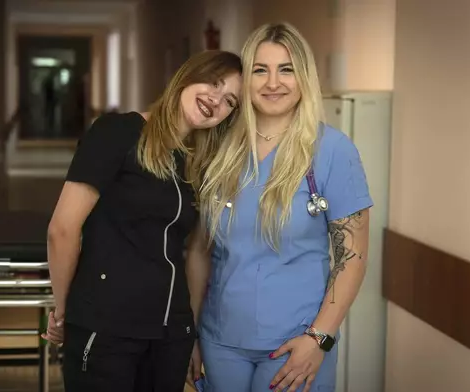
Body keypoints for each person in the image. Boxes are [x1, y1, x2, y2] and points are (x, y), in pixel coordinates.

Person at [186, 23, 373, 392]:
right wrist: (188, 333)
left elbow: (352, 256)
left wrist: (320, 338)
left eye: (286, 69)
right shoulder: (219, 149)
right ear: (246, 79)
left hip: (296, 343)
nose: (273, 82)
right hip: (220, 340)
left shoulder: (333, 150)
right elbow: (199, 251)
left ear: (303, 77)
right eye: (260, 70)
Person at [41, 49, 242, 391]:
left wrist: (189, 329)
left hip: (169, 335)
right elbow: (62, 230)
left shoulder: (198, 165)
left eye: (230, 101)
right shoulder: (116, 132)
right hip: (107, 328)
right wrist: (65, 310)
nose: (215, 99)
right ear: (188, 75)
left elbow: (195, 252)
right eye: (213, 82)